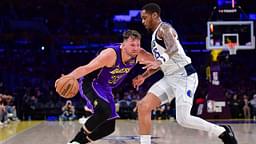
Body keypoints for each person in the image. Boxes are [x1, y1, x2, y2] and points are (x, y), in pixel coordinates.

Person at [132, 3, 238, 144]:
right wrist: (143, 77)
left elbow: (173, 48)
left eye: (145, 18)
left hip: (184, 75)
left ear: (155, 15)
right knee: (143, 106)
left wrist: (159, 61)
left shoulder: (165, 28)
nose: (143, 21)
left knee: (183, 119)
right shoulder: (154, 37)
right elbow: (161, 63)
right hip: (169, 78)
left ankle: (222, 132)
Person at [55, 30, 154, 144]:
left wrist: (144, 76)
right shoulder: (110, 55)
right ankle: (79, 136)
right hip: (91, 83)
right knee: (104, 110)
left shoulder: (140, 54)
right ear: (123, 45)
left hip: (106, 88)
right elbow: (86, 68)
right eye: (132, 45)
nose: (135, 48)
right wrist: (69, 76)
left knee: (109, 128)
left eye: (138, 45)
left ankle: (77, 142)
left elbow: (158, 63)